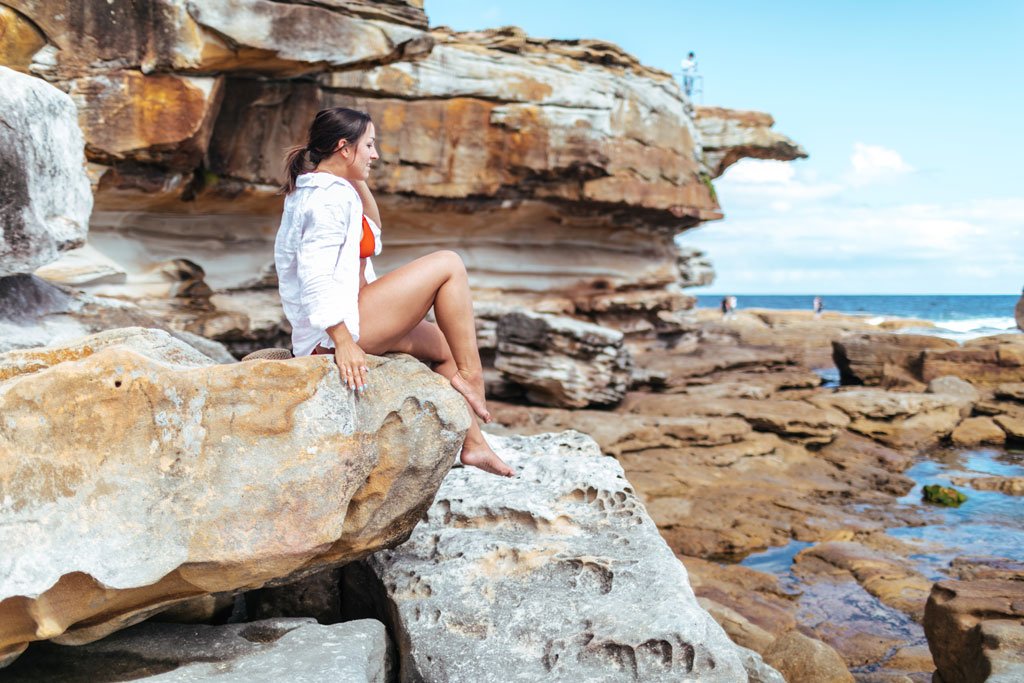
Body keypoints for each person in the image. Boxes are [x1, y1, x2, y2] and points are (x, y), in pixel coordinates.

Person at [275, 107, 514, 477]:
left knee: (445, 349)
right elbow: (314, 275)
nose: (375, 154)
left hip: (359, 313)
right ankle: (473, 376)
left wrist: (353, 174)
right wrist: (343, 342)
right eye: (369, 145)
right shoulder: (325, 199)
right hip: (338, 331)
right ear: (343, 147)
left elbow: (372, 230)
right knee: (448, 263)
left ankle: (475, 445)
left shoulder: (333, 189)